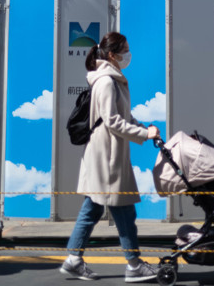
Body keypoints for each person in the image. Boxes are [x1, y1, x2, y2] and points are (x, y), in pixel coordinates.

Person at [61, 32, 159, 282]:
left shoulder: (111, 78)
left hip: (108, 153)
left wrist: (143, 128)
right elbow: (113, 121)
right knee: (123, 210)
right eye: (125, 49)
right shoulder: (106, 81)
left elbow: (122, 117)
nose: (128, 54)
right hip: (107, 156)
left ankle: (73, 259)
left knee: (93, 208)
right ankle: (134, 265)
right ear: (113, 55)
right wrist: (144, 134)